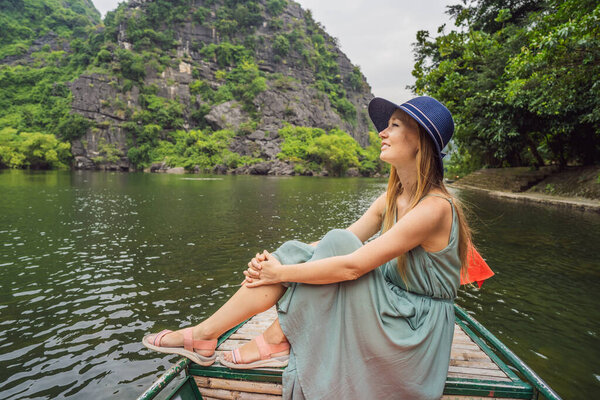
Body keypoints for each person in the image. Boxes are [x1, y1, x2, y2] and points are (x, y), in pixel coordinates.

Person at [143, 96, 474, 399]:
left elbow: (352, 266)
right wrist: (276, 259)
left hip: (413, 333)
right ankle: (206, 335)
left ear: (420, 142)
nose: (382, 133)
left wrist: (282, 272)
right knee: (311, 246)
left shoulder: (435, 208)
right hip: (391, 310)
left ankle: (270, 336)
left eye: (394, 126)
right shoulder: (391, 199)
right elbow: (338, 240)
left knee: (336, 246)